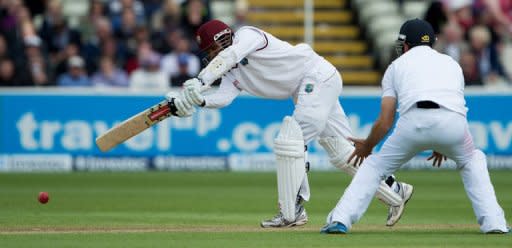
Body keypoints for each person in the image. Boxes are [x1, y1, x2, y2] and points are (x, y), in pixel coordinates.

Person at [164, 19, 414, 228]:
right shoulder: (232, 71)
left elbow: (230, 56)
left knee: (290, 139)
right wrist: (197, 101)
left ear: (223, 39)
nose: (209, 56)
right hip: (311, 86)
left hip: (315, 76)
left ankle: (291, 211)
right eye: (207, 53)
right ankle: (395, 191)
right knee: (343, 152)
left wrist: (200, 80)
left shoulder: (247, 36)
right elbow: (224, 98)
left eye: (210, 49)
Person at [320, 19, 510, 234]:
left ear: (405, 44)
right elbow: (453, 104)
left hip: (413, 124)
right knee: (473, 160)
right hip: (453, 124)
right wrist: (441, 142)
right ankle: (495, 223)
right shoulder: (451, 63)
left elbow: (385, 121)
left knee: (373, 167)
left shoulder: (396, 66)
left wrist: (368, 146)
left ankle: (340, 220)